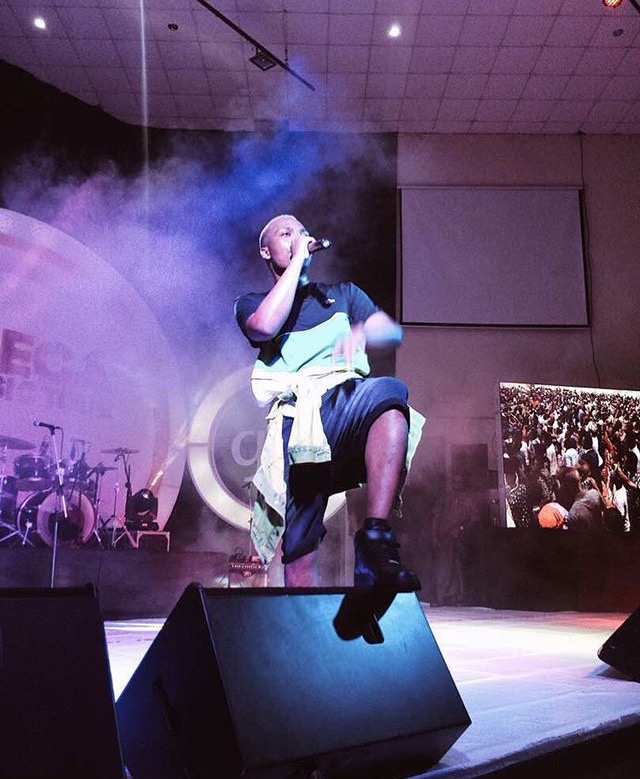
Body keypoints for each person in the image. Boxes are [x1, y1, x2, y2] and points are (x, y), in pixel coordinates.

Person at [234, 214, 425, 590]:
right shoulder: (252, 302)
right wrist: (296, 265)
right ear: (265, 251)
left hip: (342, 403)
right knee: (299, 550)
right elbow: (264, 327)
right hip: (298, 422)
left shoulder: (344, 295)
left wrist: (362, 330)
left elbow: (392, 331)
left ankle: (375, 537)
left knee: (389, 394)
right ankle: (304, 619)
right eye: (286, 234)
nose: (297, 238)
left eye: (302, 232)